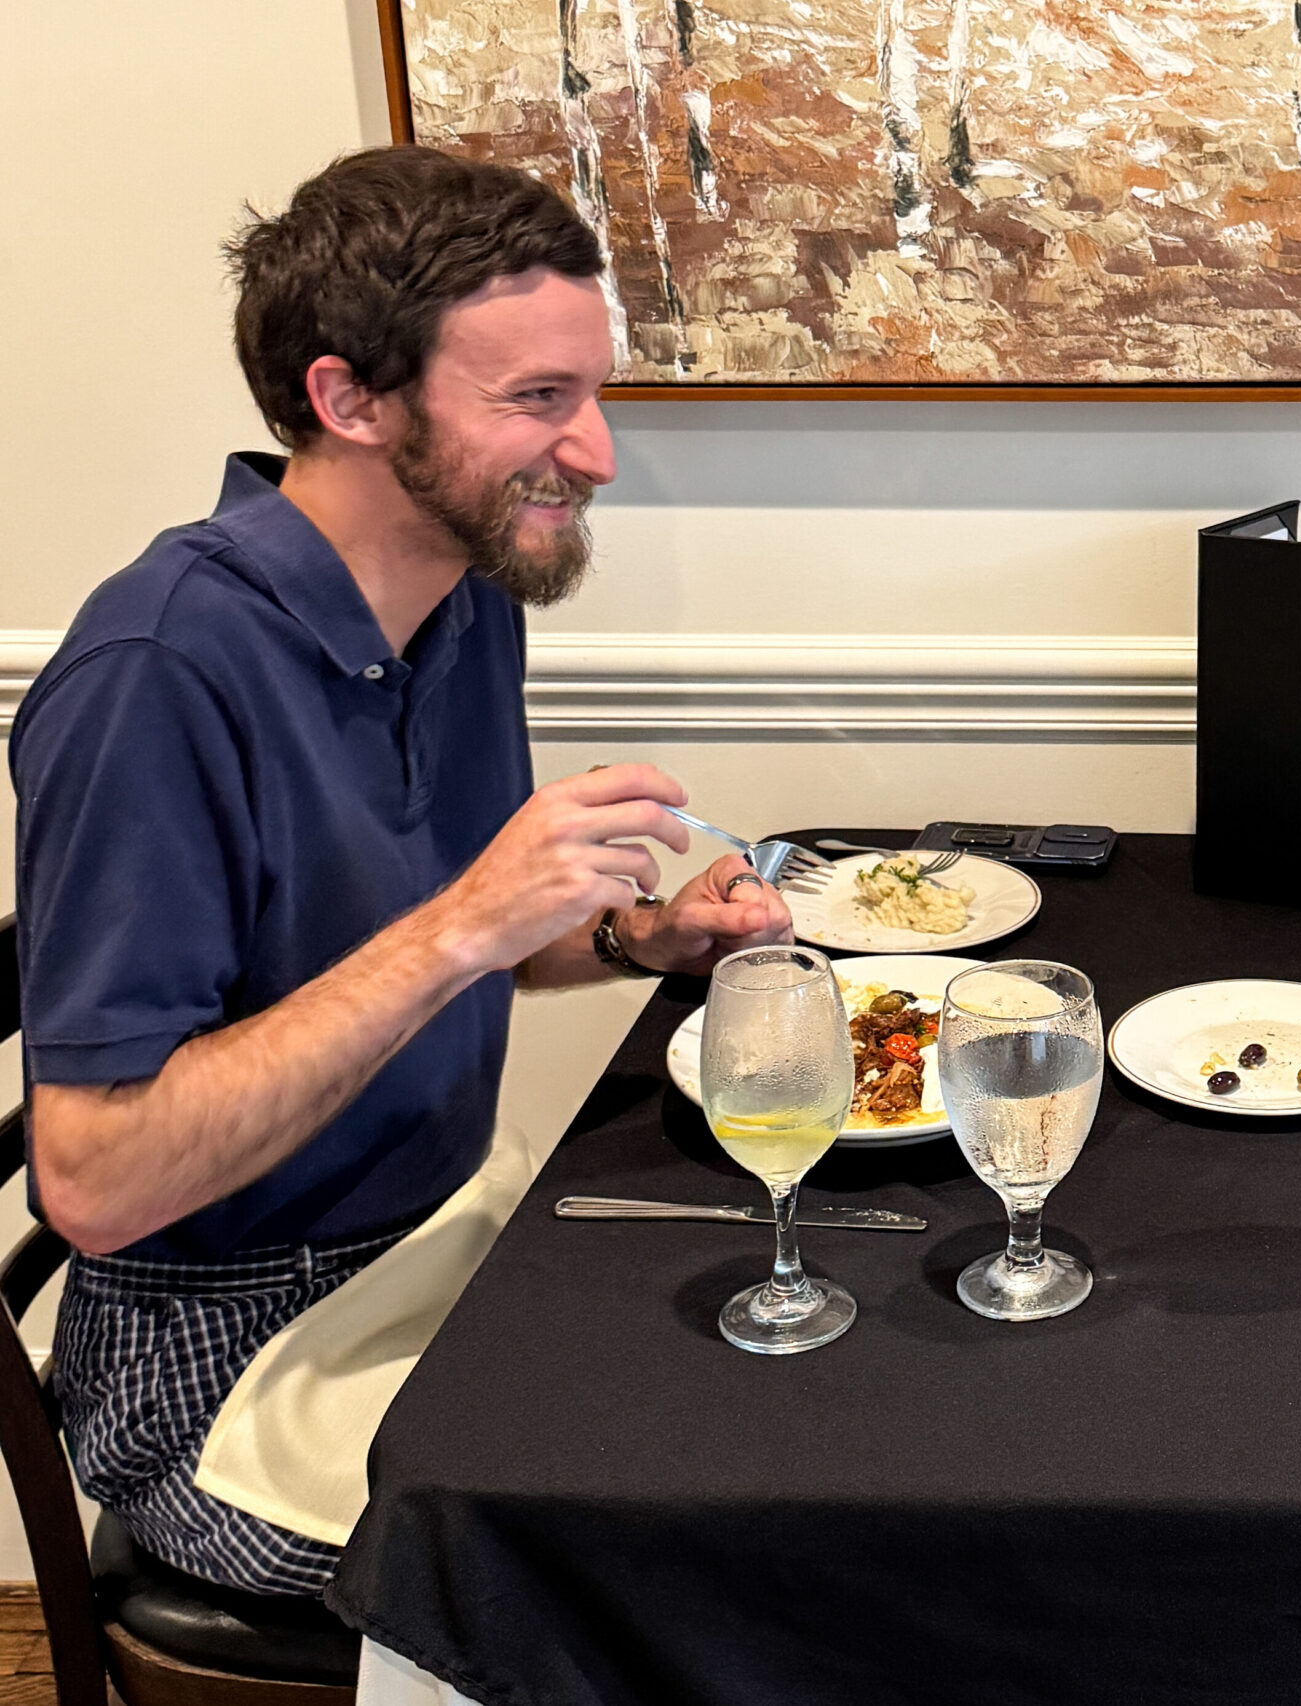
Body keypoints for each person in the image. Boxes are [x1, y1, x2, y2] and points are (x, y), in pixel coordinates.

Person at [9, 146, 793, 1597]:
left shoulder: (462, 587)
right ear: (349, 398)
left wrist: (631, 940)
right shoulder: (159, 671)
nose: (601, 450)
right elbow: (96, 1180)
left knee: (803, 1397)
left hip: (440, 1233)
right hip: (219, 1358)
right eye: (537, 401)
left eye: (594, 390)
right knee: (708, 1545)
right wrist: (467, 923)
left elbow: (456, 939)